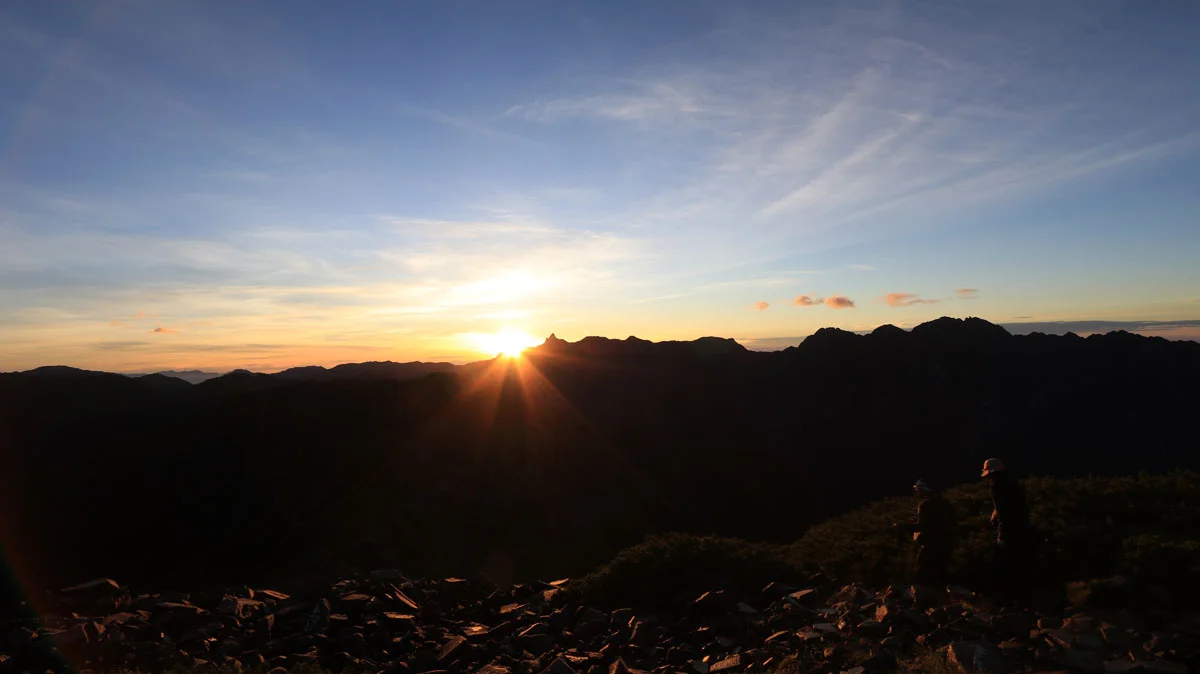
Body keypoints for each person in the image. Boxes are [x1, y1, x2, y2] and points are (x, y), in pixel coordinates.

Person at [981, 458, 1035, 603]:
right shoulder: (1014, 484)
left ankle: (1008, 599)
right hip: (1023, 528)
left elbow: (1002, 510)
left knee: (1006, 564)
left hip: (1008, 530)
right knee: (1020, 564)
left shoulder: (996, 486)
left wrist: (1001, 531)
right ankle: (1024, 599)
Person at [897, 479, 957, 587]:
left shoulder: (925, 505)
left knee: (921, 574)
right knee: (942, 573)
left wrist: (903, 527)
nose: (917, 492)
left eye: (918, 490)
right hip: (947, 543)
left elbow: (923, 526)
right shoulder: (946, 504)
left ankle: (923, 600)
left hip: (930, 544)